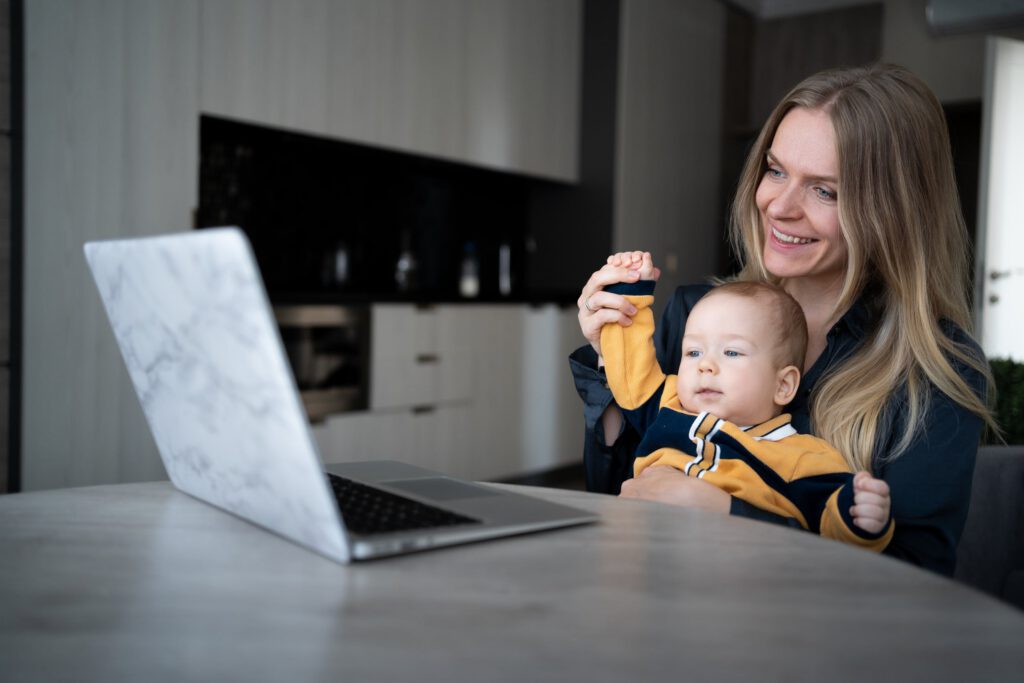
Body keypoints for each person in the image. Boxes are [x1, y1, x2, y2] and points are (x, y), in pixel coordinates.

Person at [569, 63, 997, 577]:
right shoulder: (696, 314)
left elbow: (915, 576)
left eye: (825, 191)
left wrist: (728, 514)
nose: (779, 206)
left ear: (893, 211)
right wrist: (609, 355)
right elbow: (616, 493)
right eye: (776, 171)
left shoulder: (932, 369)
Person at [600, 255, 892, 550]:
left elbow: (830, 527)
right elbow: (630, 369)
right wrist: (628, 294)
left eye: (731, 353)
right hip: (644, 555)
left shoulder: (801, 457)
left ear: (783, 385)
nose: (706, 366)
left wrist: (860, 517)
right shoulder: (671, 404)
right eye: (693, 353)